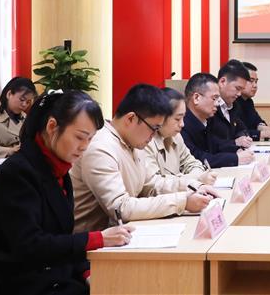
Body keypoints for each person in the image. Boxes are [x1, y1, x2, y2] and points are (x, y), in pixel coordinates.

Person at [0, 91, 133, 295]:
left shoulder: (57, 168)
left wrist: (85, 272)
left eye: (90, 139)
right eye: (79, 137)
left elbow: (61, 237)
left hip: (51, 273)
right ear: (52, 127)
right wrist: (98, 238)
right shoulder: (18, 172)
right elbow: (30, 245)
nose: (84, 147)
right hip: (19, 281)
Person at [71, 84, 217, 232]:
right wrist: (182, 202)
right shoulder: (101, 147)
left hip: (120, 233)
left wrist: (194, 186)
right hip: (91, 240)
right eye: (154, 128)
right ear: (131, 118)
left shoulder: (132, 142)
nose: (154, 136)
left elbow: (152, 184)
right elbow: (121, 208)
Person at [144, 88, 215, 187]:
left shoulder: (176, 136)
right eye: (177, 119)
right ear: (160, 117)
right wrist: (195, 179)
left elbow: (192, 163)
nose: (182, 124)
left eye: (183, 118)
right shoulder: (145, 141)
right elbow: (154, 185)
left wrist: (195, 177)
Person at [181, 73, 253, 167]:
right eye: (214, 98)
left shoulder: (206, 120)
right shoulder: (181, 124)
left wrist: (235, 149)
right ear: (196, 98)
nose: (217, 104)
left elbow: (215, 144)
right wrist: (236, 158)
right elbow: (197, 157)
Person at [0, 76, 37, 157]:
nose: (24, 105)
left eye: (28, 102)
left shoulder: (25, 117)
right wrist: (9, 150)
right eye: (22, 99)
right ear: (9, 94)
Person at [210, 61, 254, 149]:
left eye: (241, 90)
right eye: (237, 88)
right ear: (222, 82)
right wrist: (234, 143)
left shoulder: (234, 105)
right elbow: (209, 143)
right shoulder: (209, 106)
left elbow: (242, 129)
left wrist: (243, 137)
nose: (239, 94)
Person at [236, 62, 270, 141]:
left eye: (256, 82)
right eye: (251, 81)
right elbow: (239, 132)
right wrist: (264, 134)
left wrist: (263, 127)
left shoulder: (248, 101)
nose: (255, 86)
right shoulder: (232, 102)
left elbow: (257, 121)